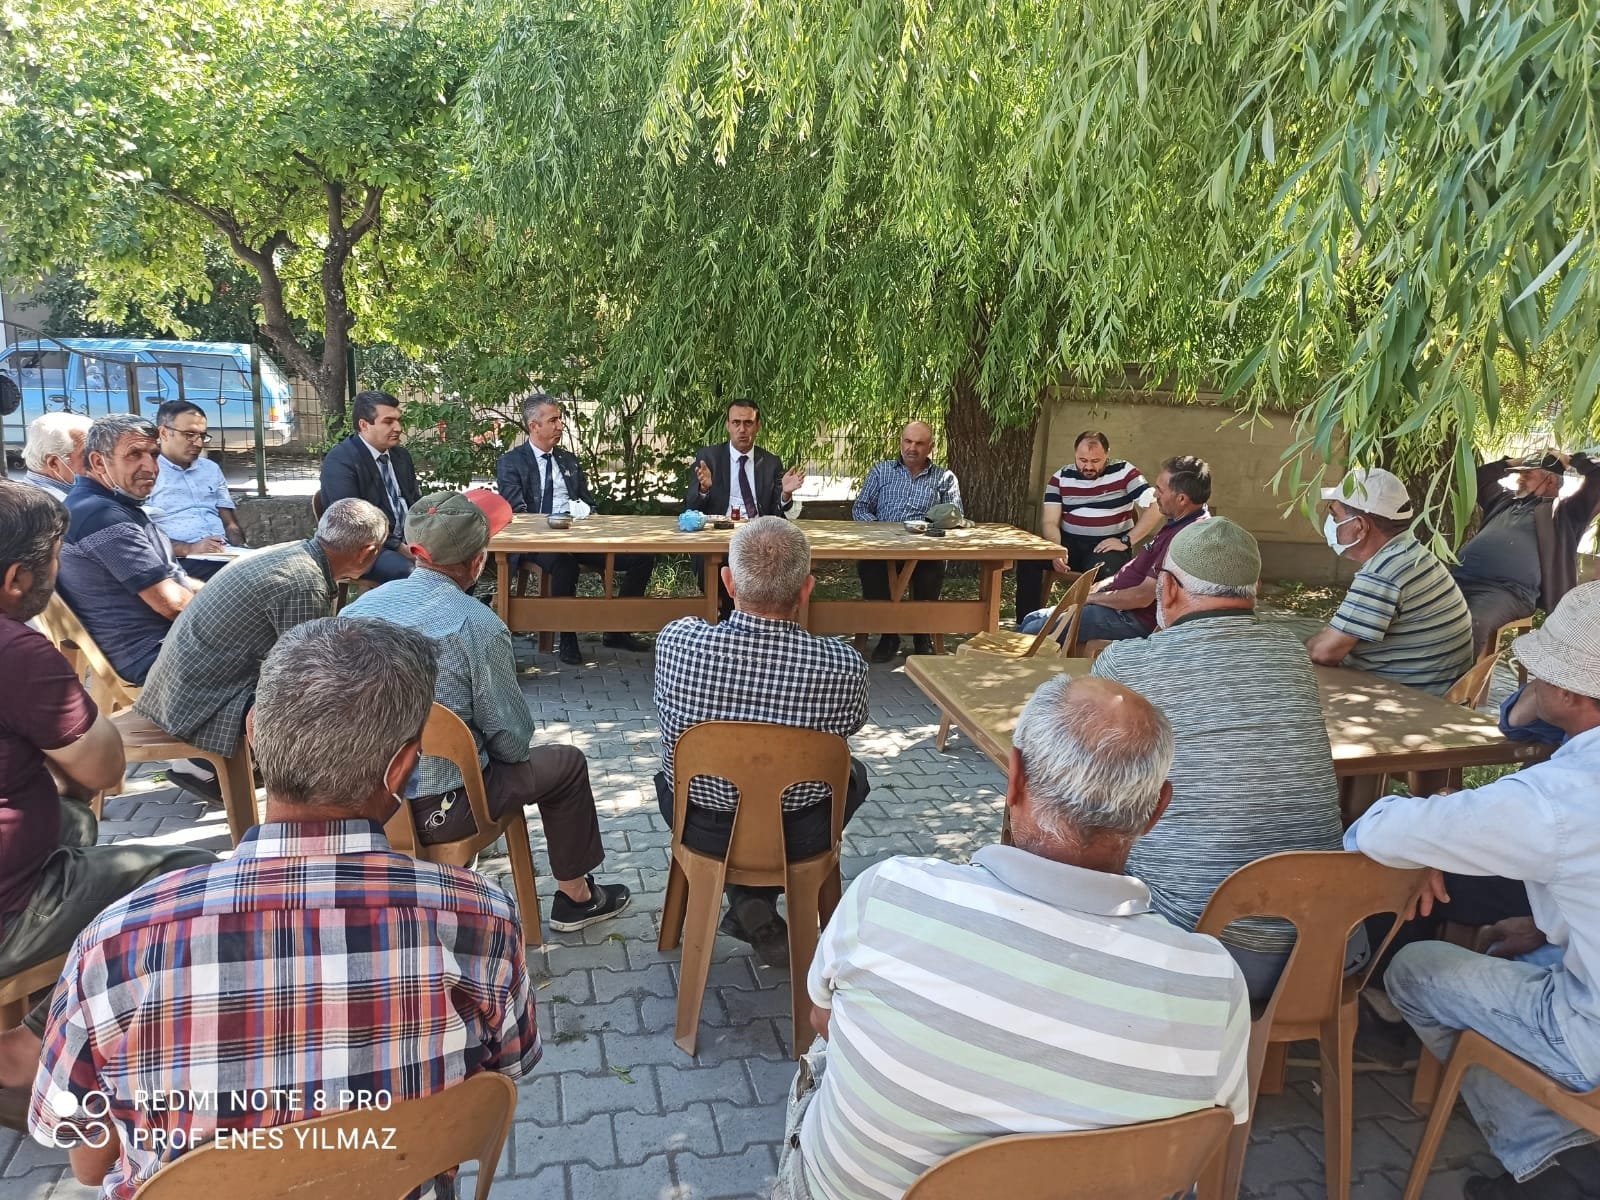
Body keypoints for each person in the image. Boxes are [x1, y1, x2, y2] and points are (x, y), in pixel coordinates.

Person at [26, 618, 542, 1197]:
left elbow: (91, 1165)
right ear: (401, 769)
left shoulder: (116, 941)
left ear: (253, 735)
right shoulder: (479, 916)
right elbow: (504, 1073)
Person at [773, 675, 1250, 1200]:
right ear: (1156, 810)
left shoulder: (889, 893)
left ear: (1015, 778)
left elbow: (822, 1016)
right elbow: (1213, 1124)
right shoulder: (1213, 982)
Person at [1347, 581, 1600, 1200]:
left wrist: (1431, 834)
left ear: (1568, 691)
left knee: (1416, 967)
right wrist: (1550, 925)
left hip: (1590, 1034)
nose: (1527, 679)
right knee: (1515, 949)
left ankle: (1551, 1162)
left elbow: (1375, 830)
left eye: (1537, 670)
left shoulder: (1559, 799)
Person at [0, 481, 215, 1130]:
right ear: (16, 578)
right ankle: (25, 1050)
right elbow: (104, 764)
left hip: (30, 845)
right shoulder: (17, 654)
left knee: (73, 816)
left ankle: (46, 1001)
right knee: (195, 878)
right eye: (58, 558)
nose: (61, 574)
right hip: (14, 901)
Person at [343, 491, 630, 933]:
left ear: (413, 549)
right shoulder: (478, 624)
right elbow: (512, 741)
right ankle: (577, 896)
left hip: (364, 799)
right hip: (444, 809)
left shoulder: (357, 610)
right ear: (478, 561)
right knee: (566, 764)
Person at [1091, 518, 1350, 999]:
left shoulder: (1126, 664)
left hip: (1197, 949)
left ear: (1166, 588)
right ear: (1252, 591)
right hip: (1321, 948)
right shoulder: (1289, 654)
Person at [653, 517, 870, 969]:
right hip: (800, 835)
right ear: (807, 589)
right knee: (855, 776)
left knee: (668, 774)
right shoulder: (843, 666)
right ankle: (755, 901)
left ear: (728, 582)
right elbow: (852, 724)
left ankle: (746, 899)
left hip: (700, 826)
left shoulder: (677, 643)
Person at [132, 498, 388, 800]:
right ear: (368, 551)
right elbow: (307, 675)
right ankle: (211, 765)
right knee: (325, 699)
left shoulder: (293, 553)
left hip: (175, 688)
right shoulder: (305, 584)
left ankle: (215, 763)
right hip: (196, 703)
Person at [495, 392, 655, 665]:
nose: (560, 425)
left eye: (560, 419)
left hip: (580, 537)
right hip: (537, 542)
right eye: (553, 420)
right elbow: (517, 512)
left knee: (642, 555)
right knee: (564, 565)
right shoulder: (511, 462)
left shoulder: (568, 461)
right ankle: (567, 635)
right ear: (534, 426)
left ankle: (618, 630)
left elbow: (588, 502)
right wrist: (552, 523)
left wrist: (585, 512)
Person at [56, 414, 201, 684]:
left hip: (163, 644)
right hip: (154, 655)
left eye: (154, 454)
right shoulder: (100, 516)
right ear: (99, 462)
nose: (151, 467)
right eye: (134, 454)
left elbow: (171, 579)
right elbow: (171, 604)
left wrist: (230, 593)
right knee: (286, 656)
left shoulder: (106, 505)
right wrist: (235, 617)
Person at [1306, 466, 1475, 696]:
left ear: (1360, 527)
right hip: (1431, 686)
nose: (1330, 521)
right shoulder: (1412, 554)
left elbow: (1323, 653)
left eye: (1334, 514)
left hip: (1410, 696)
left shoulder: (1383, 573)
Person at [1019, 454, 1212, 644]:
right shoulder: (1177, 520)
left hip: (1131, 618)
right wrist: (1104, 585)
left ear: (1181, 499)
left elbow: (1141, 597)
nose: (1154, 494)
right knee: (1031, 619)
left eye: (1160, 490)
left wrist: (1092, 598)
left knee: (1032, 631)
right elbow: (1137, 568)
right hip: (1117, 605)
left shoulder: (1185, 537)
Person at [1453, 450, 1600, 655]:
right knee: (1421, 605)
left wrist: (1570, 460)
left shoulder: (1565, 514)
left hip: (1507, 591)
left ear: (1550, 481)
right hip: (1458, 578)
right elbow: (1474, 478)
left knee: (1471, 624)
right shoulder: (1504, 501)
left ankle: (1454, 685)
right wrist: (1515, 462)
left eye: (1528, 474)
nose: (1519, 478)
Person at [1014, 430, 1165, 622]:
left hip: (1108, 546)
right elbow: (1050, 522)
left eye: (1095, 461)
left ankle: (1088, 625)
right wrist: (1056, 549)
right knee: (1030, 559)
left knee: (1106, 572)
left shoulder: (1124, 472)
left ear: (1107, 455)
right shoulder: (1060, 477)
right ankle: (1027, 623)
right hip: (1070, 543)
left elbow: (1157, 505)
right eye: (1082, 460)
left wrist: (1126, 541)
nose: (1088, 466)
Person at [850, 420, 964, 661]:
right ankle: (888, 634)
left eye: (919, 443)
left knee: (930, 572)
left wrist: (929, 531)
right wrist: (880, 531)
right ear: (901, 442)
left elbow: (954, 515)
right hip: (883, 548)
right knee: (870, 569)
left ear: (930, 447)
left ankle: (922, 634)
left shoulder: (945, 478)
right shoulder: (881, 471)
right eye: (908, 441)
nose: (912, 448)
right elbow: (860, 508)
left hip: (925, 549)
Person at [318, 389, 421, 584]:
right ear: (364, 425)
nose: (398, 427)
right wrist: (399, 546)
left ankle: (454, 614)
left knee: (460, 563)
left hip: (408, 541)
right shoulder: (341, 461)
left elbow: (414, 502)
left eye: (399, 420)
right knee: (416, 574)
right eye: (388, 422)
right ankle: (415, 614)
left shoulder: (401, 457)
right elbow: (352, 524)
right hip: (365, 549)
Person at [145, 399, 247, 580]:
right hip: (181, 560)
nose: (198, 443)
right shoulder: (147, 472)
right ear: (164, 432)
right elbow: (142, 535)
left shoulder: (210, 469)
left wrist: (244, 550)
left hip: (224, 554)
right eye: (190, 434)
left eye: (202, 435)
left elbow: (230, 523)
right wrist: (189, 548)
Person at [685, 399, 806, 520]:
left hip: (759, 531)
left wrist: (786, 494)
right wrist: (703, 489)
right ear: (728, 426)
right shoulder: (709, 458)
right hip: (720, 529)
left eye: (748, 423)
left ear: (758, 426)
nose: (742, 429)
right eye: (736, 423)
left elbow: (777, 511)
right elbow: (691, 507)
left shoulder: (771, 463)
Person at [21, 413, 91, 499]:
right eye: (86, 454)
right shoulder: (64, 506)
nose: (97, 463)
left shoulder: (16, 493)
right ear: (53, 463)